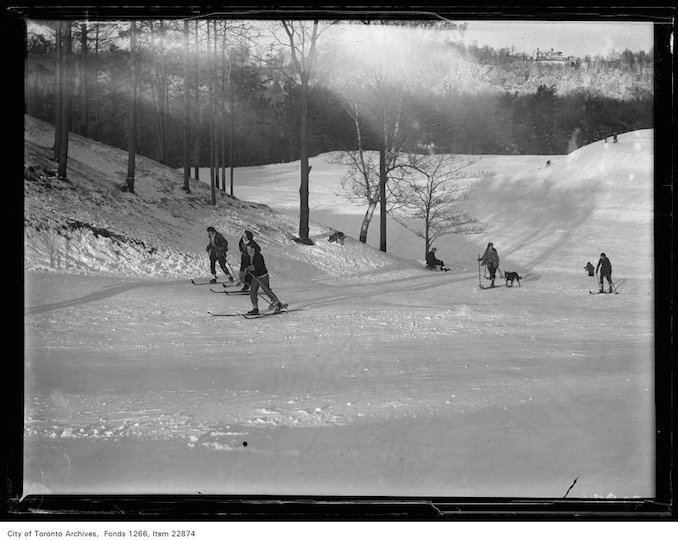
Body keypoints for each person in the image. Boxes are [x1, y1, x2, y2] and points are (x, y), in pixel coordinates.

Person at [245, 241, 285, 315]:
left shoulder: (258, 256)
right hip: (255, 276)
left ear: (253, 249)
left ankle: (277, 304)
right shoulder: (249, 256)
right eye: (247, 249)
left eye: (249, 249)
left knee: (267, 290)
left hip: (262, 276)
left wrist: (251, 269)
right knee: (253, 291)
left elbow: (259, 266)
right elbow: (247, 266)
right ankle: (255, 308)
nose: (248, 251)